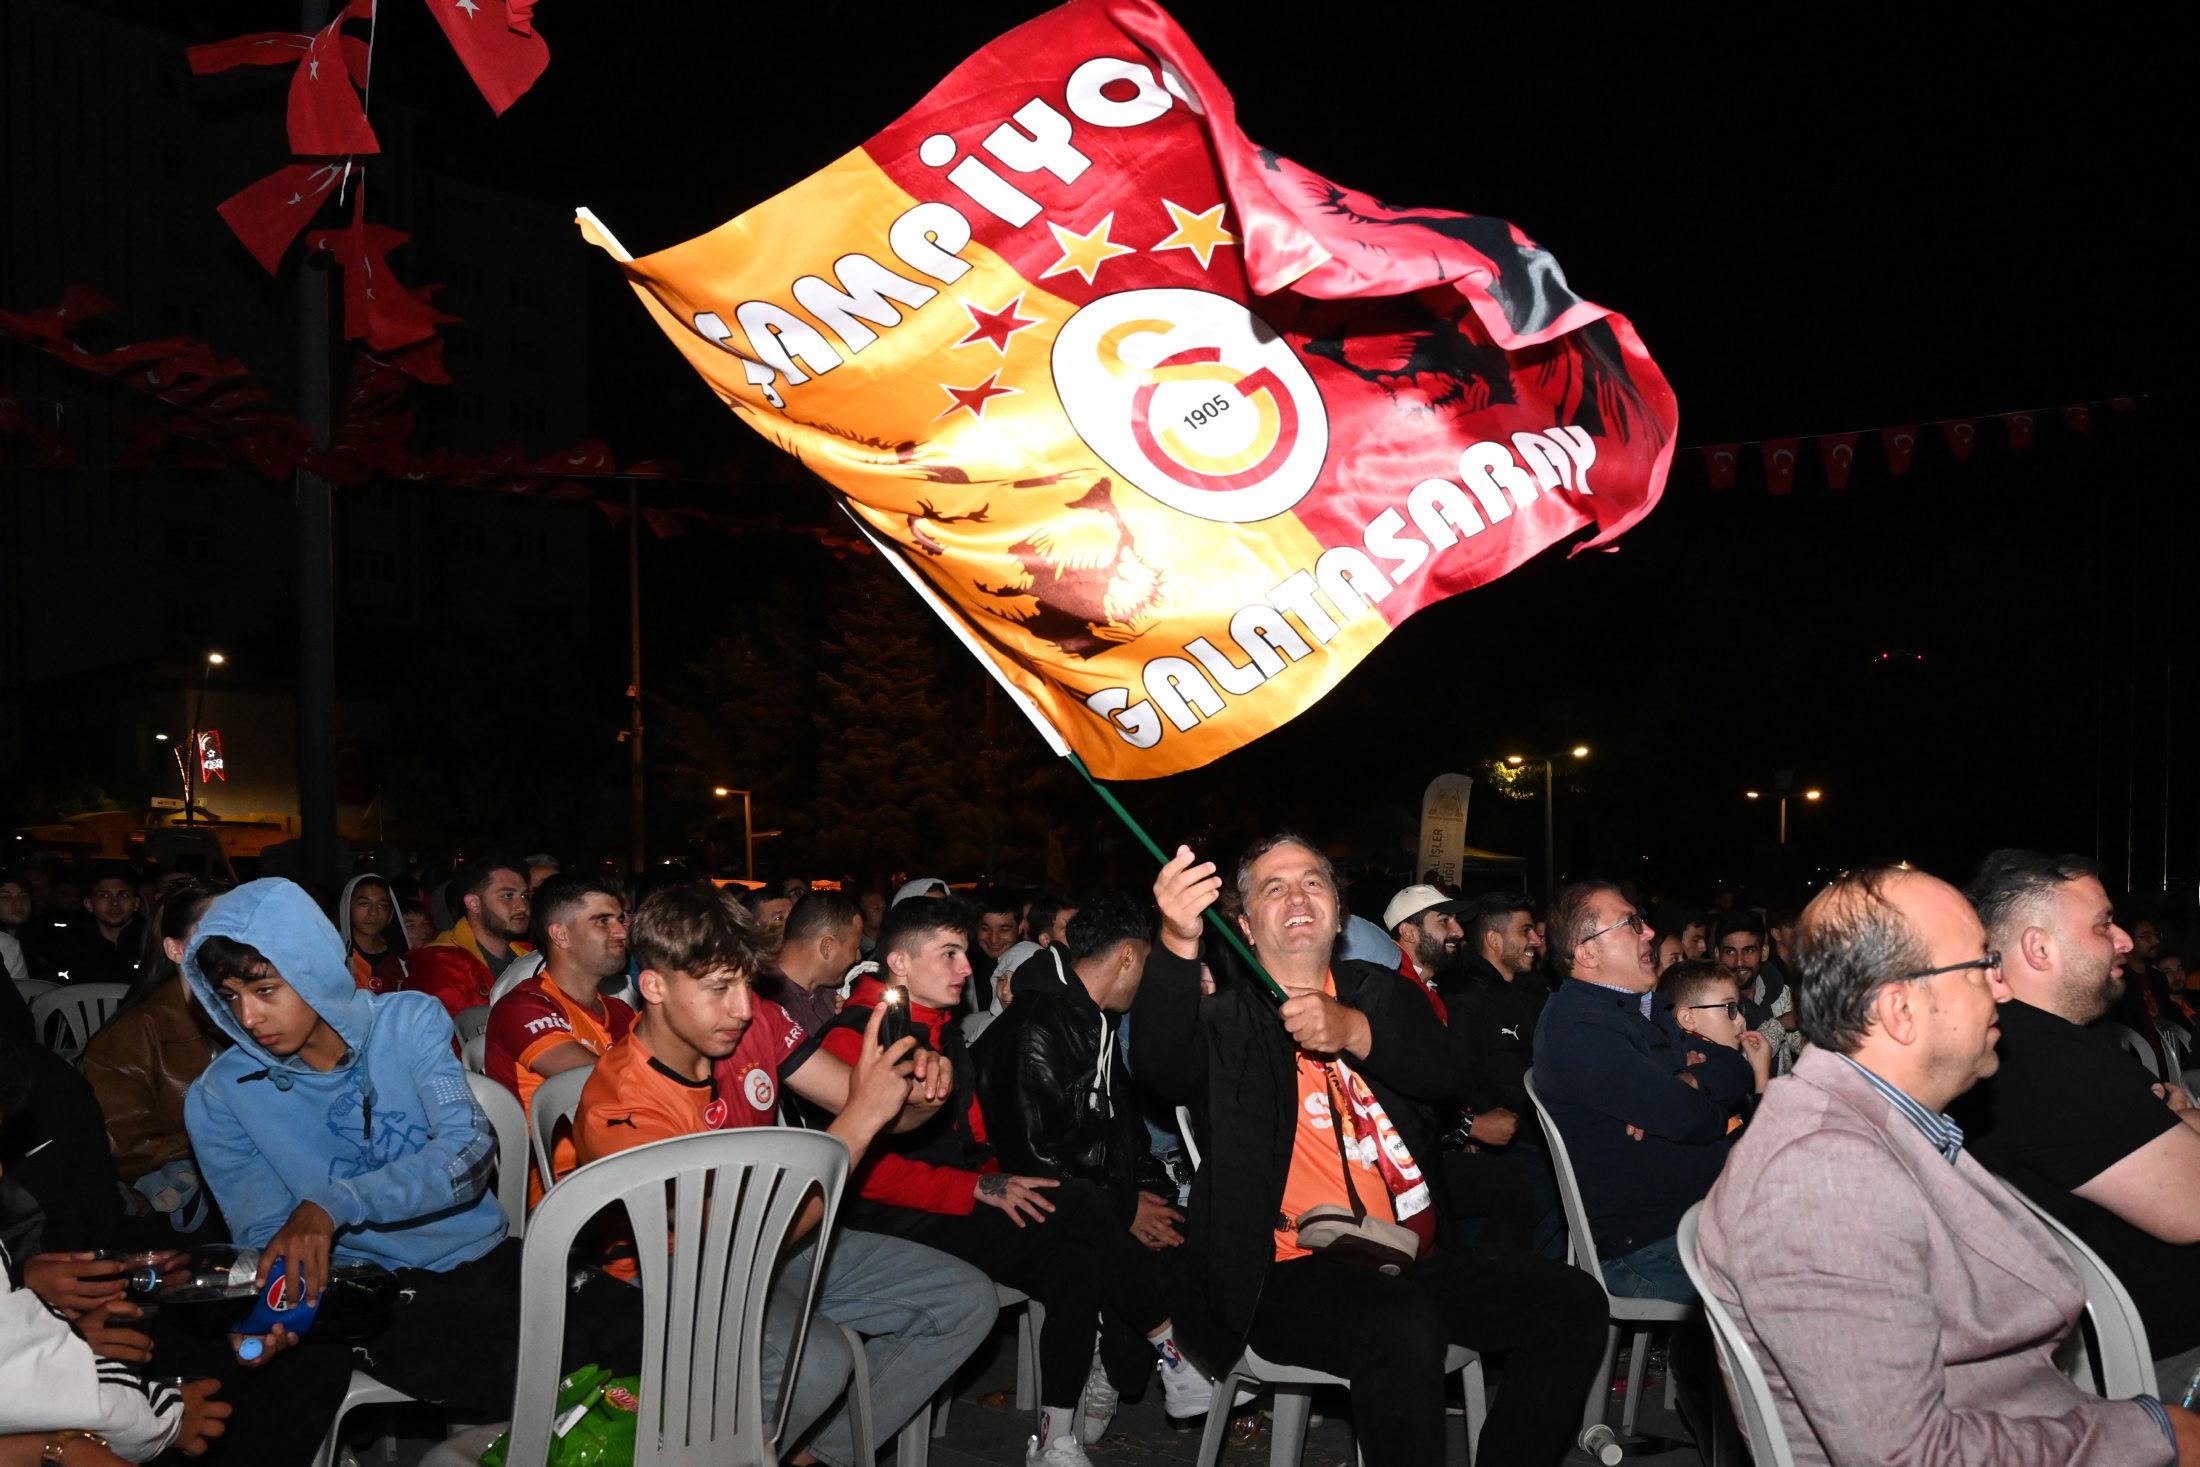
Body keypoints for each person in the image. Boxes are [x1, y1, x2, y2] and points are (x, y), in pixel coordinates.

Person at [1695, 865, 2200, 1466]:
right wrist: (2156, 1434)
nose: (2004, 989)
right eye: (1982, 966)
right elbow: (1909, 1456)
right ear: (1900, 1009)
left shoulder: (1880, 1123)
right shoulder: (1823, 1179)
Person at [1135, 838, 1605, 1467]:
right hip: (1275, 1274)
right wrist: (1175, 939)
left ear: (1337, 911)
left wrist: (1354, 1030)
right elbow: (1159, 1069)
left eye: (1312, 883)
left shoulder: (1381, 991)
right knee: (1402, 1323)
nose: (1297, 896)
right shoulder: (1231, 1017)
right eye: (1274, 888)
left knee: (1572, 1302)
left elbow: (1441, 1076)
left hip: (1402, 1257)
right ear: (1244, 923)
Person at [182, 879, 638, 1452]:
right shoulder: (221, 1095)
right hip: (368, 1285)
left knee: (643, 1329)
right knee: (517, 1369)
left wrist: (337, 1200)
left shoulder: (407, 1020)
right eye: (228, 998)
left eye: (266, 989)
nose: (248, 1017)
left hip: (481, 1254)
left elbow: (469, 1153)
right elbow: (266, 1232)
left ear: (314, 968)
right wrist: (278, 1307)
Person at [570, 885, 995, 1467]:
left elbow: (870, 1106)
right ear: (654, 986)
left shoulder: (755, 1022)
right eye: (719, 989)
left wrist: (922, 1091)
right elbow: (741, 1241)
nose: (743, 1008)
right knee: (817, 1361)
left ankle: (813, 1455)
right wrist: (858, 1123)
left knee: (965, 1301)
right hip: (677, 1278)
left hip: (784, 1241)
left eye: (747, 984)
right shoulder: (624, 1109)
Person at [808, 896, 1189, 1466]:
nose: (968, 968)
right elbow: (860, 1175)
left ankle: (1054, 1436)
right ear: (900, 964)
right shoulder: (857, 1037)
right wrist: (979, 1189)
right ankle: (1170, 1345)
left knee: (1073, 1252)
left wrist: (996, 1183)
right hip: (887, 1222)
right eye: (951, 953)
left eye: (965, 954)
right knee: (1081, 1207)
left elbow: (977, 1145)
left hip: (947, 1206)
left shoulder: (938, 1032)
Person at [1951, 850, 2200, 1397]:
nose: (2126, 941)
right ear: (2039, 948)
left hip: (2083, 1354)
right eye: (2103, 924)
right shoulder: (2053, 1061)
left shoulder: (1993, 1046)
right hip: (2158, 1367)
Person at [973, 894, 1194, 1442]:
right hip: (1026, 1207)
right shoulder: (1035, 1027)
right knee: (1107, 1245)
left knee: (1186, 1241)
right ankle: (1142, 1365)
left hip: (1094, 1196)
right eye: (1147, 963)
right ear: (1126, 957)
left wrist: (1149, 1196)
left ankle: (1129, 1368)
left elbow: (1126, 1134)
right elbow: (1036, 1161)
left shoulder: (1095, 1024)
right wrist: (1125, 1209)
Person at [0, 1046, 231, 1464]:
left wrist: (138, 1267)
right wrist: (166, 1419)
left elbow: (97, 1211)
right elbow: (19, 1382)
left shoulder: (45, 1081)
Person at [1532, 882, 1754, 1303]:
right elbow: (1691, 1119)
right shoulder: (1578, 1028)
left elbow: (1732, 1065)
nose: (1648, 931)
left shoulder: (1640, 1008)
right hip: (1652, 1246)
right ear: (1587, 953)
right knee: (1813, 1278)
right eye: (1630, 923)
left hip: (1703, 1215)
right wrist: (1693, 1102)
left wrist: (1690, 1082)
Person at [81, 882, 229, 1241]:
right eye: (214, 928)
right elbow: (124, 1147)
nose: (232, 938)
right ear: (175, 949)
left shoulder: (261, 1016)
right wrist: (224, 1135)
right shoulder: (131, 1036)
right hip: (181, 1213)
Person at [483, 873, 635, 1206]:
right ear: (561, 934)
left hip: (627, 1166)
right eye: (602, 922)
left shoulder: (621, 1012)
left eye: (621, 919)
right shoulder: (522, 1006)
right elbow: (603, 1080)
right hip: (560, 1192)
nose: (622, 931)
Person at [396, 857, 532, 1016]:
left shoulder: (530, 956)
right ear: (474, 903)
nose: (522, 906)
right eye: (508, 896)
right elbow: (450, 1036)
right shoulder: (442, 965)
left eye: (524, 896)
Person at [1657, 959, 1772, 1123]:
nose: (1740, 1019)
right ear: (1688, 1018)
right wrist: (1761, 1073)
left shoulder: (1655, 1052)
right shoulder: (1728, 1061)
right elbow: (1763, 1138)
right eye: (1729, 1008)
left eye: (1738, 1008)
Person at [1713, 910, 1799, 1070]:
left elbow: (1803, 1044)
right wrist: (1779, 1024)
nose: (1739, 962)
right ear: (1717, 954)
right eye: (1730, 951)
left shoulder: (1781, 993)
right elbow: (1736, 1068)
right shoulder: (1709, 1005)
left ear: (1764, 953)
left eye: (1749, 950)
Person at [768, 892, 861, 1038]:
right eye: (854, 947)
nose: (857, 957)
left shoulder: (828, 997)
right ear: (827, 946)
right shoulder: (765, 1005)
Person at [50, 866, 146, 987]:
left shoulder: (153, 942)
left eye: (124, 895)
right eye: (104, 896)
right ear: (89, 904)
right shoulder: (70, 944)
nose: (115, 903)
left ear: (136, 903)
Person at [335, 875, 404, 993]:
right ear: (347, 908)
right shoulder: (334, 956)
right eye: (364, 903)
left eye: (382, 905)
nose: (373, 912)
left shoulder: (401, 962)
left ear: (390, 915)